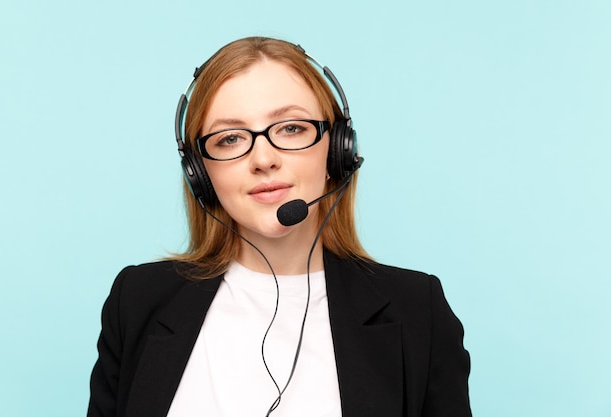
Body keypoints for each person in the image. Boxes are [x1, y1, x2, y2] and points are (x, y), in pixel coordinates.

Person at [88, 36, 472, 417]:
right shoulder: (136, 301)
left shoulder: (418, 310)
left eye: (290, 128)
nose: (264, 159)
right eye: (230, 138)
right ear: (200, 173)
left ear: (338, 149)